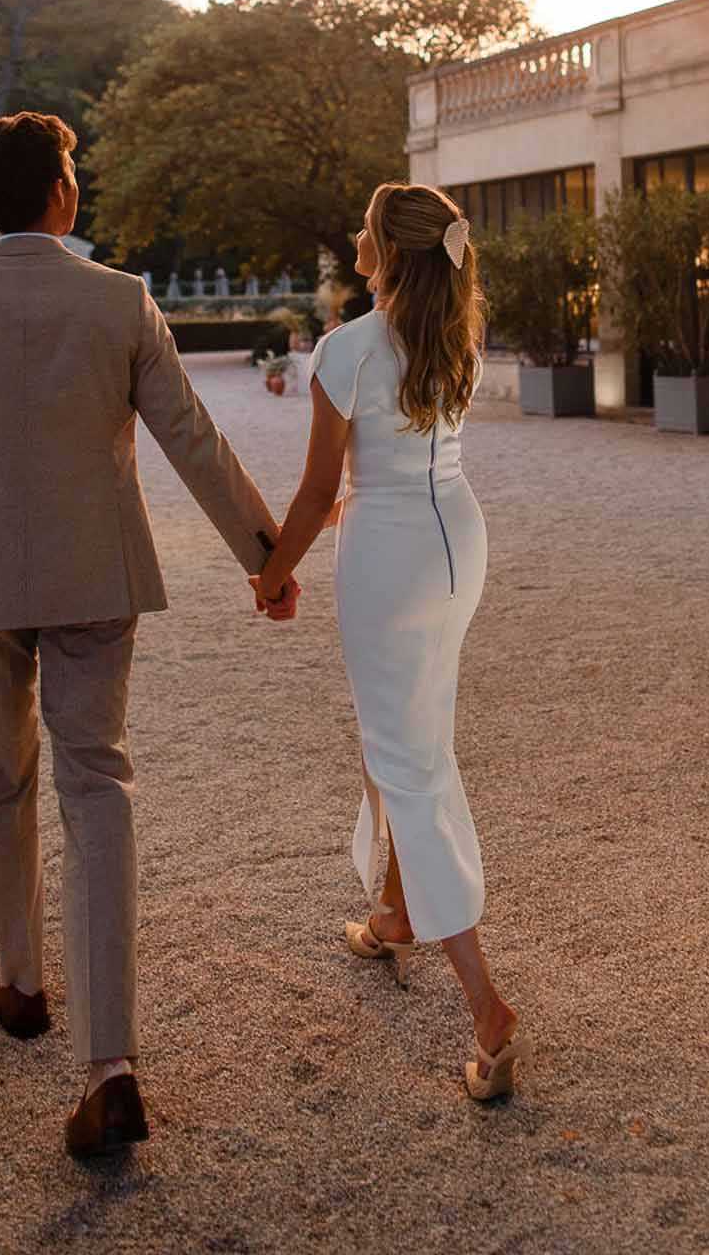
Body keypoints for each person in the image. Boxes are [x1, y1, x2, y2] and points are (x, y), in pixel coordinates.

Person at [0, 111, 297, 1159]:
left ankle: (19, 979)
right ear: (59, 193)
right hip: (95, 575)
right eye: (74, 168)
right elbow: (190, 433)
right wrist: (265, 554)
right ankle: (110, 1064)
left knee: (0, 778)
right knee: (97, 784)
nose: (78, 182)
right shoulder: (119, 299)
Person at [252, 181, 528, 1100]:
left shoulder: (347, 349)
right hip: (456, 542)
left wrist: (269, 574)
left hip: (390, 557)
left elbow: (312, 490)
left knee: (410, 761)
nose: (352, 238)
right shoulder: (455, 338)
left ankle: (487, 1008)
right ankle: (394, 911)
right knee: (403, 731)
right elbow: (390, 470)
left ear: (387, 250)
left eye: (364, 231)